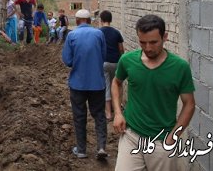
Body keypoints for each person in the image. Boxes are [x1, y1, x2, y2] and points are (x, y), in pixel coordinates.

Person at [112, 14, 195, 171]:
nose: (148, 48)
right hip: (131, 135)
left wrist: (173, 137)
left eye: (153, 42)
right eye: (142, 42)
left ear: (165, 37)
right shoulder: (128, 60)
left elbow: (189, 104)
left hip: (162, 142)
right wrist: (117, 113)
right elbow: (116, 83)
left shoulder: (180, 67)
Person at [62, 9, 108, 160]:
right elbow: (103, 56)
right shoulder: (99, 34)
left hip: (78, 84)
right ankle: (101, 147)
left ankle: (81, 150)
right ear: (89, 20)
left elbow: (67, 61)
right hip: (97, 83)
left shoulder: (72, 35)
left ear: (77, 20)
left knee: (79, 116)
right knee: (99, 115)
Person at [98, 10, 124, 120]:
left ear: (101, 20)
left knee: (106, 87)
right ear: (111, 20)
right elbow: (121, 49)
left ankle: (108, 113)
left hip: (103, 63)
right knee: (116, 86)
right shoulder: (116, 32)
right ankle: (117, 110)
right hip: (116, 63)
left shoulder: (98, 33)